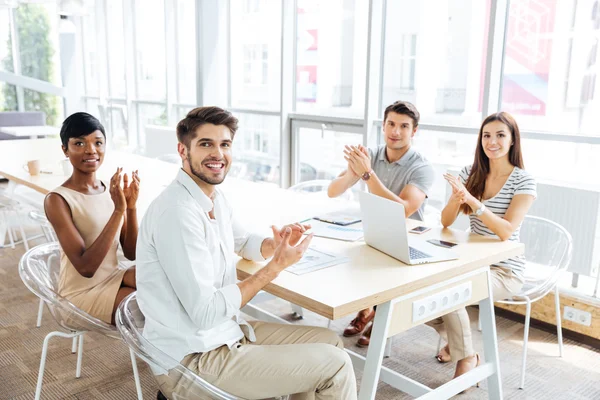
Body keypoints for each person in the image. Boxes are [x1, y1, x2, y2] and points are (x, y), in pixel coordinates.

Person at [136, 106, 357, 400]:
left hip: (224, 333)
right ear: (182, 149)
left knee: (331, 343)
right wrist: (274, 267)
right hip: (190, 359)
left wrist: (274, 245)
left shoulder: (212, 197)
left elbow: (241, 241)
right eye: (206, 144)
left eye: (224, 144)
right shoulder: (177, 213)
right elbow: (205, 313)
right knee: (336, 366)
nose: (218, 154)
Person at [433, 111, 537, 385]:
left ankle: (464, 356)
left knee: (449, 292)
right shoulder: (470, 173)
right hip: (471, 260)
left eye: (501, 135)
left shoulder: (523, 180)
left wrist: (474, 202)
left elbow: (505, 231)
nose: (492, 142)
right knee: (416, 290)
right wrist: (458, 198)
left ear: (513, 140)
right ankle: (463, 346)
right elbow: (445, 221)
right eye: (486, 135)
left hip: (505, 269)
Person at [328, 100, 435, 347]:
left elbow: (403, 210)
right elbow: (333, 191)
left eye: (404, 126)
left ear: (414, 131)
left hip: (408, 237)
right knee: (343, 259)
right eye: (391, 124)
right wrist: (353, 171)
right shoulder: (371, 155)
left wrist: (367, 174)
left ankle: (380, 316)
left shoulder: (422, 167)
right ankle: (367, 310)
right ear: (384, 125)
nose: (395, 132)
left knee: (379, 268)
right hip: (372, 231)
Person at [45, 112, 139, 325]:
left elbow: (132, 253)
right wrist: (118, 212)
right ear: (65, 150)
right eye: (79, 143)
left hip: (113, 277)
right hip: (80, 294)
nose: (91, 150)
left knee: (162, 281)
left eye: (98, 142)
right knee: (152, 305)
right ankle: (174, 356)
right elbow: (86, 268)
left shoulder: (110, 189)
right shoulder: (57, 200)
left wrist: (130, 208)